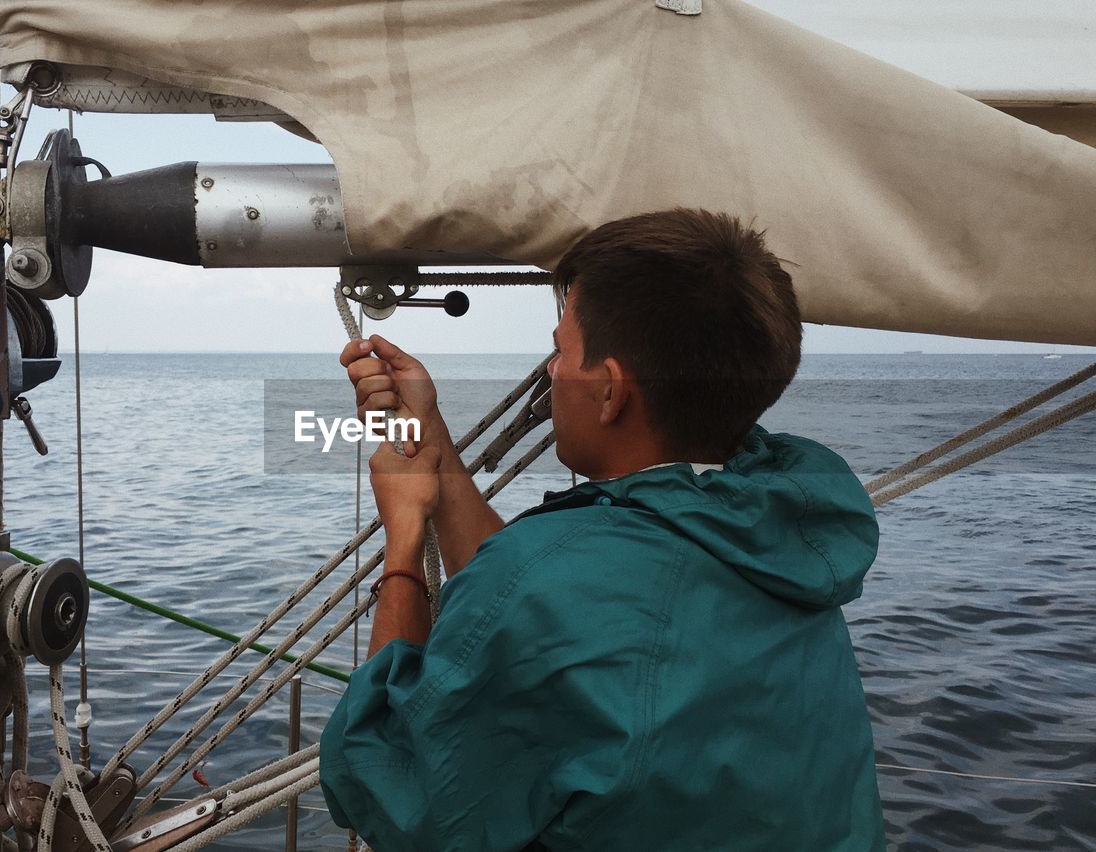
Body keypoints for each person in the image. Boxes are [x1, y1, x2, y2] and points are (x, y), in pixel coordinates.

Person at [319, 208, 885, 851]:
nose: (552, 373)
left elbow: (383, 786)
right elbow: (541, 621)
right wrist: (433, 439)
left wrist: (403, 536)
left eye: (560, 351)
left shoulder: (549, 586)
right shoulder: (776, 524)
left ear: (612, 392)